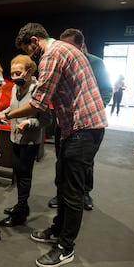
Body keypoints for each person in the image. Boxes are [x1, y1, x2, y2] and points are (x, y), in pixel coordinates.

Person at [0, 22, 107, 267]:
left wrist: (4, 116)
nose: (29, 56)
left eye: (28, 49)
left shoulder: (52, 54)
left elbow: (38, 105)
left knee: (72, 191)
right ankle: (58, 228)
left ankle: (65, 247)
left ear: (35, 41)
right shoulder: (61, 50)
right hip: (75, 127)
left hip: (83, 127)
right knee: (62, 182)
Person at [47, 28, 114, 210]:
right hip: (65, 121)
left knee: (84, 163)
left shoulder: (95, 63)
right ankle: (60, 193)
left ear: (81, 45)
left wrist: (95, 109)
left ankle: (84, 192)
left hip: (85, 124)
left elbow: (107, 90)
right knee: (61, 159)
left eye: (69, 46)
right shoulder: (61, 60)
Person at [0, 54, 52, 227]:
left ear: (29, 71)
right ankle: (22, 206)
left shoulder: (38, 90)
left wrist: (29, 122)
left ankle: (21, 213)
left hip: (29, 141)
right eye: (12, 73)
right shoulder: (15, 88)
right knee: (18, 172)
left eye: (18, 73)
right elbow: (12, 108)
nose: (15, 77)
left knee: (24, 176)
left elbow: (46, 120)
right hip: (15, 139)